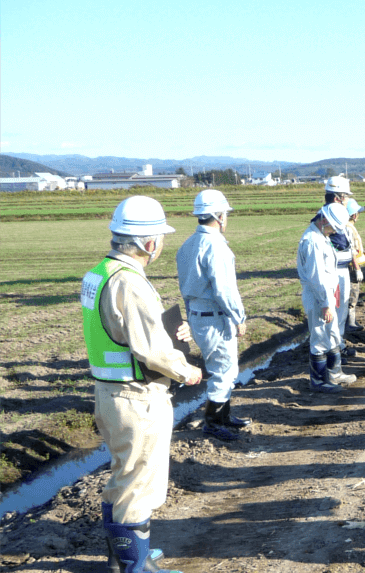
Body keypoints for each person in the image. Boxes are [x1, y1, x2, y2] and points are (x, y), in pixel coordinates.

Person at [85, 196, 202, 573]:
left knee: (124, 475)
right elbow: (150, 349)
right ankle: (136, 566)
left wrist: (174, 333)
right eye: (160, 239)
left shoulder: (99, 273)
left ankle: (122, 556)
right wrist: (186, 370)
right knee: (140, 483)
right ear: (149, 243)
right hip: (137, 397)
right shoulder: (130, 283)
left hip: (109, 392)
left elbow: (122, 331)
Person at [176, 190, 249, 443]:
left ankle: (224, 417)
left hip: (198, 315)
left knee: (226, 367)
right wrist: (239, 317)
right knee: (223, 371)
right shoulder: (215, 246)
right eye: (225, 214)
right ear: (219, 216)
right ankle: (213, 423)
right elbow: (224, 289)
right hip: (215, 316)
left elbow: (184, 286)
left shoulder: (187, 245)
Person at [298, 202, 356, 393]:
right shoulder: (312, 241)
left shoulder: (321, 236)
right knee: (320, 336)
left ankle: (334, 373)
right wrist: (325, 303)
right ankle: (319, 380)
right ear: (323, 220)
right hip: (317, 296)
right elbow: (317, 277)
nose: (333, 232)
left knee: (331, 333)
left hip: (326, 295)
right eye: (332, 228)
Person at [323, 176, 356, 360]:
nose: (346, 202)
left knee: (341, 310)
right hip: (335, 271)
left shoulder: (333, 215)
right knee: (335, 311)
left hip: (342, 269)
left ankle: (338, 344)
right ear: (337, 198)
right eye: (345, 197)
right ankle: (333, 348)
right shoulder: (330, 218)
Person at [344, 198, 365, 333]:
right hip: (352, 267)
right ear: (353, 214)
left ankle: (352, 321)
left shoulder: (349, 227)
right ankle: (349, 323)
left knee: (353, 294)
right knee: (352, 294)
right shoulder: (348, 228)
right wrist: (357, 268)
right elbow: (351, 250)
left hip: (353, 266)